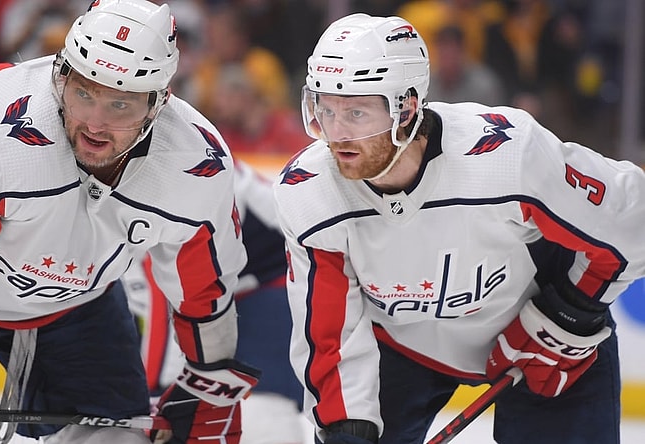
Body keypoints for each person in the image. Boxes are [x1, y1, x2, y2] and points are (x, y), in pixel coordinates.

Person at [0, 1, 258, 443]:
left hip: (75, 298)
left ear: (158, 102)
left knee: (117, 439)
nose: (95, 124)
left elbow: (205, 290)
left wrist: (211, 387)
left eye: (120, 104)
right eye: (84, 93)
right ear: (60, 75)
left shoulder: (196, 163)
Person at [272, 13, 645, 444]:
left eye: (356, 112)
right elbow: (330, 334)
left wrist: (571, 313)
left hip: (542, 339)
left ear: (408, 107)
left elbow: (631, 218)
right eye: (325, 109)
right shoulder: (309, 191)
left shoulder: (505, 155)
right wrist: (346, 431)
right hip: (401, 349)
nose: (336, 134)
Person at [123, 158, 308, 444]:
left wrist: (157, 398)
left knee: (259, 400)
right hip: (234, 275)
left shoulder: (151, 192)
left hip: (277, 275)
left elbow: (167, 304)